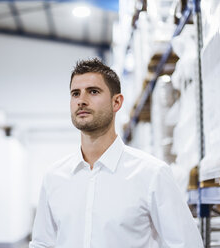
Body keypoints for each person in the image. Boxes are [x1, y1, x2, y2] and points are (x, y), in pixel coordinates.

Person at [29, 58, 203, 248]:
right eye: (75, 94)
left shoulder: (152, 174)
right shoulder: (54, 178)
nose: (82, 101)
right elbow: (42, 244)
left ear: (116, 102)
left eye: (93, 91)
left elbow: (187, 244)